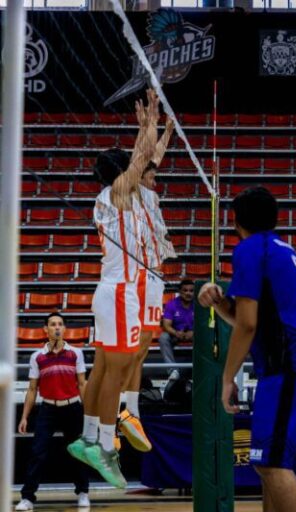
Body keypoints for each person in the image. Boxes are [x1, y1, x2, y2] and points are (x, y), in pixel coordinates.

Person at [198, 186, 296, 512]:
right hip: (289, 367)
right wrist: (219, 303)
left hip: (292, 366)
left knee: (273, 464)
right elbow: (248, 317)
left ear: (237, 221)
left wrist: (227, 378)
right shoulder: (281, 248)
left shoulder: (250, 250)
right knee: (267, 463)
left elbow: (247, 325)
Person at [66, 88, 160, 489]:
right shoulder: (117, 194)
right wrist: (150, 122)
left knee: (104, 369)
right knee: (115, 373)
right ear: (123, 175)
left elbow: (144, 157)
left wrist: (147, 129)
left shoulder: (118, 197)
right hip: (119, 294)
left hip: (112, 291)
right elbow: (143, 158)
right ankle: (106, 446)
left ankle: (88, 438)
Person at [118, 115, 177, 453]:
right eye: (151, 176)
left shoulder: (151, 195)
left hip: (155, 276)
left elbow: (154, 159)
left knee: (142, 350)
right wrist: (148, 125)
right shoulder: (134, 191)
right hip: (139, 274)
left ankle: (131, 411)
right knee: (132, 349)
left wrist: (166, 131)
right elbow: (143, 157)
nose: (155, 180)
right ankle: (125, 411)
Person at [16, 313, 89, 511]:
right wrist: (24, 417)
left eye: (60, 324)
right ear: (45, 329)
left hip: (73, 407)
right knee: (37, 453)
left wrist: (89, 413)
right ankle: (27, 498)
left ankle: (83, 492)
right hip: (47, 409)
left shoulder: (76, 353)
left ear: (64, 329)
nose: (57, 327)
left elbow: (82, 384)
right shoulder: (37, 357)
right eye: (53, 324)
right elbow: (32, 389)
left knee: (78, 453)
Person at [158, 279, 195, 382]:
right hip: (175, 333)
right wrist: (175, 333)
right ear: (180, 292)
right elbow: (166, 325)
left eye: (191, 291)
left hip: (193, 333)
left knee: (205, 336)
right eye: (185, 290)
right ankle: (173, 370)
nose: (188, 293)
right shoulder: (172, 304)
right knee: (163, 337)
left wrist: (194, 332)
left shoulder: (199, 304)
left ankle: (200, 368)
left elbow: (203, 324)